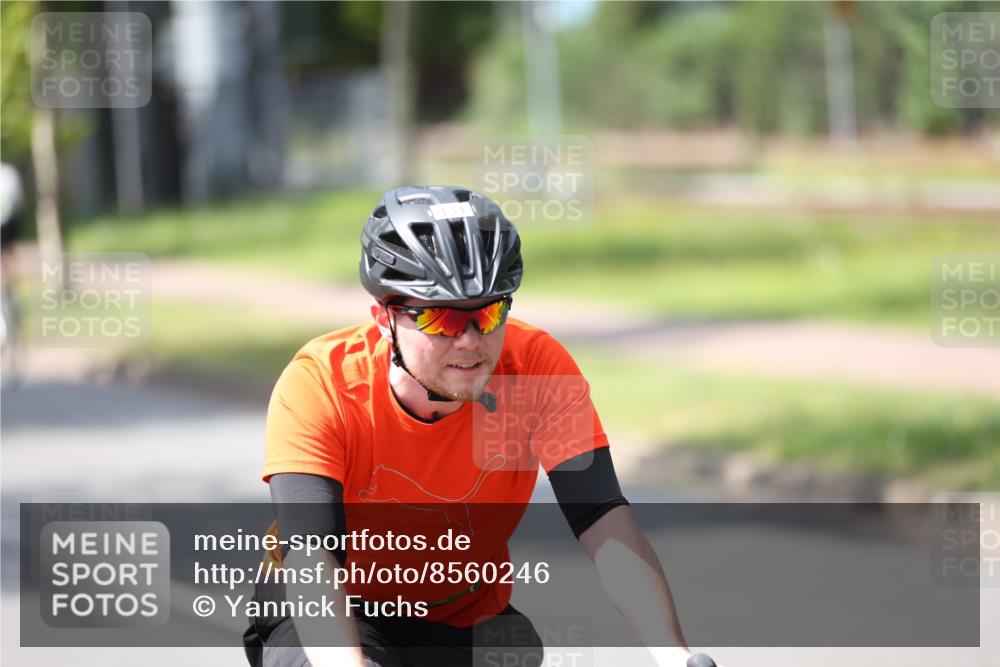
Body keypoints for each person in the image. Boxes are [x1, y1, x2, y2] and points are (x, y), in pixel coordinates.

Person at [245, 186, 706, 667]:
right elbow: (312, 558)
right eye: (440, 318)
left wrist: (674, 654)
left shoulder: (537, 370)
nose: (470, 341)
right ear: (384, 319)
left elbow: (603, 522)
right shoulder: (321, 383)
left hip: (461, 619)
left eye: (488, 313)